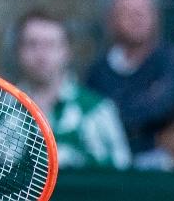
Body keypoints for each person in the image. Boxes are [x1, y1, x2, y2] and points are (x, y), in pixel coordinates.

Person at [13, 9, 131, 170]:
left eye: (50, 45)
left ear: (67, 51)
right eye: (32, 44)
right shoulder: (0, 112)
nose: (41, 55)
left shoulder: (98, 109)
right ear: (18, 51)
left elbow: (124, 174)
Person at [86, 0, 174, 154]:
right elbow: (95, 120)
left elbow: (164, 106)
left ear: (156, 17)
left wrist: (116, 113)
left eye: (143, 12)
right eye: (128, 13)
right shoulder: (98, 72)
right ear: (111, 21)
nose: (138, 18)